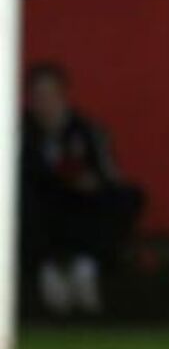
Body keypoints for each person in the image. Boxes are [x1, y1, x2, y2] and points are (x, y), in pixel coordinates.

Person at [20, 63, 145, 315]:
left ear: (63, 96)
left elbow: (110, 176)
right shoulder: (18, 132)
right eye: (38, 96)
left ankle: (85, 265)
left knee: (128, 197)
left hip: (79, 209)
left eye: (50, 95)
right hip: (39, 212)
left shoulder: (87, 130)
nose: (45, 102)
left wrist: (91, 182)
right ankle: (47, 269)